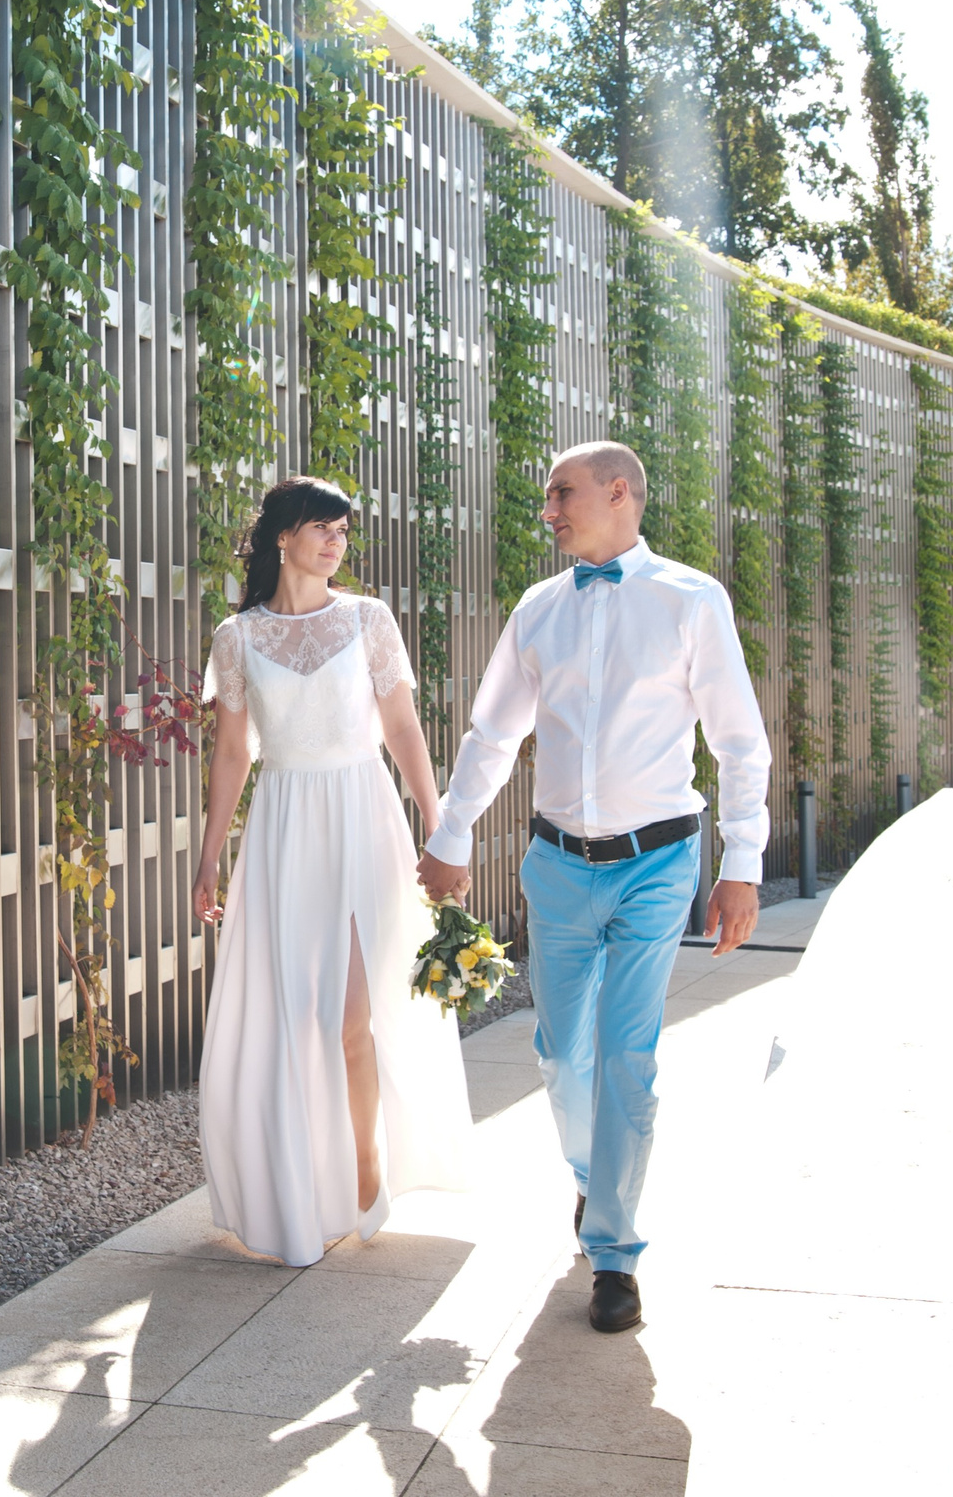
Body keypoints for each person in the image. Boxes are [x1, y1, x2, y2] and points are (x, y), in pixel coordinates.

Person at [415, 441, 769, 1334]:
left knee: (625, 1056)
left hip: (658, 864)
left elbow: (738, 743)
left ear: (619, 494)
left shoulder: (692, 602)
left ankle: (613, 1252)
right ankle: (591, 1180)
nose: (550, 512)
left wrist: (741, 865)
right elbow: (492, 736)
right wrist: (450, 835)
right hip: (558, 867)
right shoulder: (539, 610)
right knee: (561, 1055)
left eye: (561, 494)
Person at [190, 476, 473, 1267]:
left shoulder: (368, 620)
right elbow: (232, 756)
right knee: (294, 1019)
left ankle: (366, 1167)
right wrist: (210, 858)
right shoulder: (237, 638)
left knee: (355, 1015)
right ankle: (297, 1185)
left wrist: (438, 824)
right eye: (322, 528)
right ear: (283, 536)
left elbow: (403, 728)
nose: (336, 543)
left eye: (343, 532)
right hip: (283, 826)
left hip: (362, 813)